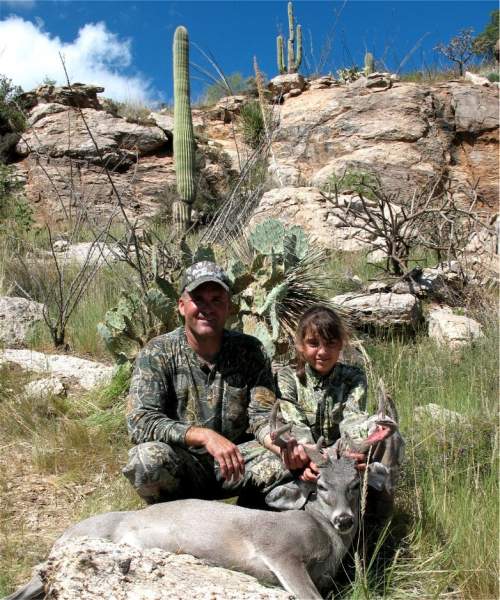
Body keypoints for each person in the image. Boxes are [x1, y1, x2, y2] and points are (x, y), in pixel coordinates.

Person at [123, 261, 290, 505]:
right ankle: (172, 529)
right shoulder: (157, 353)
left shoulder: (250, 350)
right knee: (145, 460)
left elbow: (262, 416)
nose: (207, 308)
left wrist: (281, 446)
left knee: (285, 460)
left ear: (228, 306)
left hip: (236, 462)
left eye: (216, 300)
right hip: (184, 464)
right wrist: (204, 436)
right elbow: (140, 422)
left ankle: (247, 523)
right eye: (198, 299)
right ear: (182, 306)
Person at [275, 304, 391, 483]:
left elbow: (352, 420)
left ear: (341, 345)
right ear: (300, 345)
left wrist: (352, 452)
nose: (322, 352)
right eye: (313, 343)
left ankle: (378, 507)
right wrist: (309, 462)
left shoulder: (354, 377)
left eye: (330, 344)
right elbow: (297, 427)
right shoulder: (288, 378)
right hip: (304, 459)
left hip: (342, 457)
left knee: (388, 439)